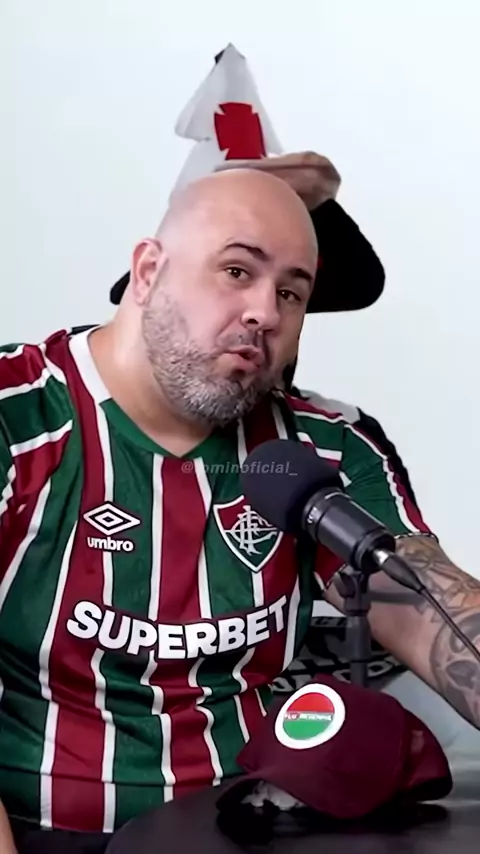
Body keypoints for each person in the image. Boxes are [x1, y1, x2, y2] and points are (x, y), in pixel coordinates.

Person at [1, 167, 479, 854]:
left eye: (290, 292)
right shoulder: (19, 417)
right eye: (236, 271)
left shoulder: (325, 448)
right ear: (148, 271)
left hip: (242, 830)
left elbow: (439, 615)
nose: (266, 313)